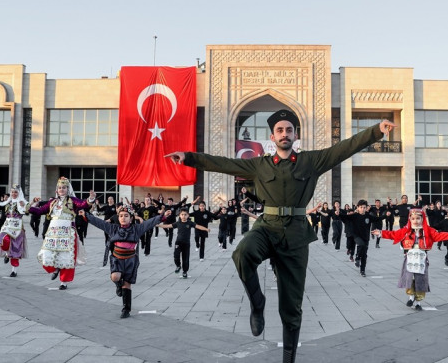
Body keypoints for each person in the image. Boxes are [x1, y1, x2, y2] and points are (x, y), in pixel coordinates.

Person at [166, 109, 394, 362]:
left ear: (295, 135)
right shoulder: (259, 165)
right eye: (280, 130)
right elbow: (223, 163)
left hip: (296, 234)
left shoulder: (311, 161)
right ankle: (257, 303)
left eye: (289, 130)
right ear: (272, 137)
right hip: (267, 226)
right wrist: (188, 157)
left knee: (291, 306)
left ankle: (289, 358)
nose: (284, 134)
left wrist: (376, 131)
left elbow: (344, 148)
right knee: (242, 253)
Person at [81, 206, 171, 318]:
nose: (123, 218)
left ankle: (126, 309)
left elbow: (150, 223)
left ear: (131, 218)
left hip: (131, 260)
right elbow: (99, 222)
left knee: (127, 284)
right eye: (121, 216)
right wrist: (86, 215)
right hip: (117, 259)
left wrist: (163, 216)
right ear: (118, 218)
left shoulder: (137, 229)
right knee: (115, 277)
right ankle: (118, 286)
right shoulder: (113, 228)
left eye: (126, 216)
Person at [372, 208, 448, 310]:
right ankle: (411, 297)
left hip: (421, 258)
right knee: (409, 278)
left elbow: (439, 235)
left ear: (422, 219)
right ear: (410, 219)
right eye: (413, 218)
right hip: (409, 258)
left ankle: (418, 302)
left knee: (420, 280)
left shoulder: (428, 231)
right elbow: (393, 234)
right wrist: (381, 233)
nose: (415, 221)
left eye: (418, 218)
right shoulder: (406, 231)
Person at [27, 178, 95, 290]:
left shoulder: (72, 200)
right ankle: (55, 269)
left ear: (68, 189)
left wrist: (90, 199)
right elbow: (39, 211)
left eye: (64, 187)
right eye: (59, 188)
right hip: (52, 233)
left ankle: (64, 282)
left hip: (67, 233)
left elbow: (83, 204)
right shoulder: (52, 202)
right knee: (46, 255)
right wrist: (29, 206)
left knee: (66, 257)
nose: (61, 189)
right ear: (56, 190)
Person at [158, 208, 210, 278]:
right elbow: (168, 225)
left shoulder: (190, 223)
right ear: (179, 215)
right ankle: (178, 266)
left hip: (186, 243)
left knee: (185, 258)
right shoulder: (178, 223)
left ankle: (185, 271)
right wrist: (158, 225)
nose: (183, 216)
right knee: (176, 255)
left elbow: (198, 226)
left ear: (188, 215)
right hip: (178, 242)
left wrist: (206, 229)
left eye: (185, 215)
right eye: (182, 215)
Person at [339, 199, 384, 277]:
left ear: (366, 208)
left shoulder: (368, 216)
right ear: (358, 207)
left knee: (364, 254)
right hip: (356, 236)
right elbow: (345, 217)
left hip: (366, 237)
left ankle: (362, 270)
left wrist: (386, 215)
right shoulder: (355, 215)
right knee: (361, 245)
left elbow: (377, 219)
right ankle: (357, 257)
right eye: (361, 207)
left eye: (364, 207)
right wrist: (338, 214)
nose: (363, 209)